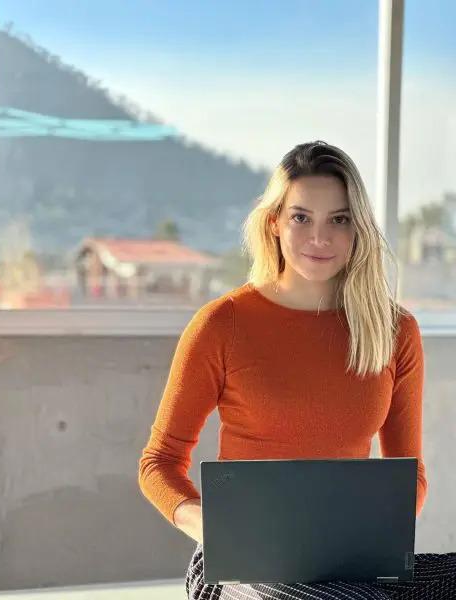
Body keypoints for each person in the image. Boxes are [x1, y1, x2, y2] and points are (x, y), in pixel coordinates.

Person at [139, 141, 456, 599]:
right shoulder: (222, 324)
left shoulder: (394, 331)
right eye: (301, 217)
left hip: (349, 559)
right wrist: (214, 528)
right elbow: (159, 463)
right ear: (275, 223)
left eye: (339, 220)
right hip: (239, 562)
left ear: (358, 229)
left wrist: (371, 538)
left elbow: (410, 476)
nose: (319, 238)